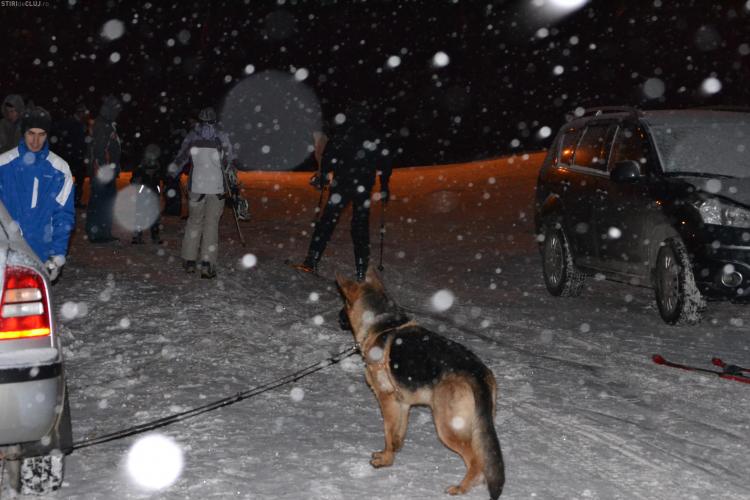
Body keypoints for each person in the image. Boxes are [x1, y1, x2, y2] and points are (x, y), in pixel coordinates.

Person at [294, 103, 392, 281]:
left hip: (342, 185)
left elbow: (329, 156)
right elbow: (385, 161)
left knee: (327, 223)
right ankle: (361, 270)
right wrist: (384, 185)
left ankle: (312, 260)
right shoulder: (373, 135)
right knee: (360, 226)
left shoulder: (343, 133)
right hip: (362, 186)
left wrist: (324, 174)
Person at [0, 107, 75, 282]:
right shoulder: (3, 165)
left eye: (41, 134)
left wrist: (57, 256)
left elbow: (63, 216)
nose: (35, 141)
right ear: (23, 132)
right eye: (31, 133)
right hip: (7, 254)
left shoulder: (60, 169)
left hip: (42, 256)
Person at [168, 107, 234, 279]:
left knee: (194, 222)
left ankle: (189, 260)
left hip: (197, 186)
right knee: (211, 225)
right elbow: (228, 162)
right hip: (216, 188)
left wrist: (172, 172)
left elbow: (181, 157)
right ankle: (207, 264)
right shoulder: (222, 136)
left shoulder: (192, 136)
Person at [86, 95, 122, 243]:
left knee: (103, 202)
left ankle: (102, 232)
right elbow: (100, 149)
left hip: (106, 170)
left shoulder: (107, 124)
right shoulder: (103, 125)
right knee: (101, 202)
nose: (118, 113)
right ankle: (98, 233)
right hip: (103, 171)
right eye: (116, 109)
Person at [54, 102, 89, 208]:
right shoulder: (70, 123)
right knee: (67, 180)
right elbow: (65, 140)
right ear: (79, 112)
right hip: (71, 156)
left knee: (79, 181)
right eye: (82, 112)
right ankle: (66, 202)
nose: (84, 115)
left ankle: (76, 201)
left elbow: (82, 141)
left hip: (78, 156)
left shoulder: (81, 124)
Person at [130, 144, 164, 244]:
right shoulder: (141, 166)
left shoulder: (157, 166)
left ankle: (153, 235)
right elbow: (134, 179)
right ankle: (139, 235)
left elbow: (160, 177)